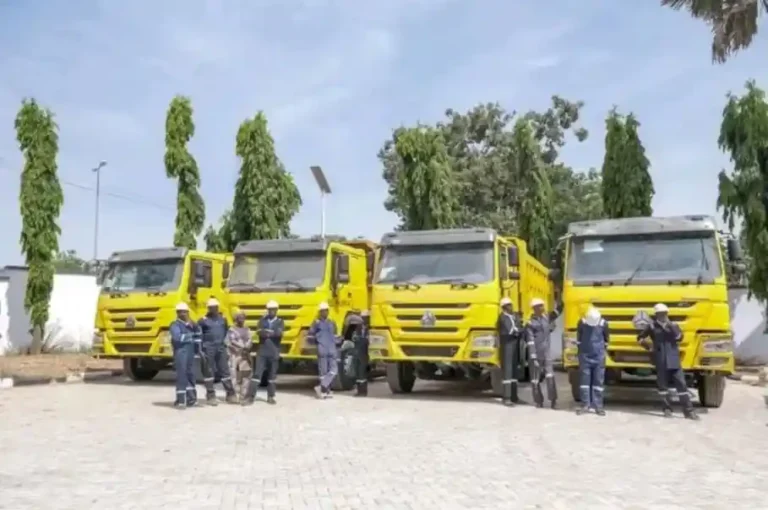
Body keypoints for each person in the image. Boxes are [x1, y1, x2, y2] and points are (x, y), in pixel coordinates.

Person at [638, 303, 699, 420]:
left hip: (674, 361)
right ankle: (666, 409)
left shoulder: (674, 325)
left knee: (681, 385)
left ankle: (689, 412)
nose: (663, 316)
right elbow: (640, 338)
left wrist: (670, 326)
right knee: (663, 387)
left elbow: (680, 337)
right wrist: (649, 347)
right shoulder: (651, 327)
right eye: (660, 314)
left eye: (664, 313)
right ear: (656, 315)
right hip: (660, 360)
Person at [198, 298, 236, 405]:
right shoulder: (203, 321)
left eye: (215, 307)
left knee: (224, 370)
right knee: (209, 371)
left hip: (220, 347)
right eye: (211, 308)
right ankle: (210, 395)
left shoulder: (223, 319)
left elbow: (226, 332)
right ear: (208, 308)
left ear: (217, 308)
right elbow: (199, 336)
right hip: (208, 348)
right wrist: (201, 350)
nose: (213, 309)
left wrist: (227, 347)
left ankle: (231, 394)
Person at [244, 300, 283, 405]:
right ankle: (250, 397)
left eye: (274, 309)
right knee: (257, 374)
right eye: (270, 309)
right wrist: (270, 333)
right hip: (262, 351)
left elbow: (279, 334)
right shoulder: (262, 320)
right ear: (267, 310)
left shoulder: (280, 321)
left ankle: (271, 396)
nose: (272, 311)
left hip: (274, 351)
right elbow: (259, 333)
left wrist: (268, 333)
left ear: (277, 310)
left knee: (272, 375)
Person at [576, 306, 610, 416]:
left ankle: (598, 406)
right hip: (585, 356)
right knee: (584, 382)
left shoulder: (603, 324)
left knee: (598, 382)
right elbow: (579, 338)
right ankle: (585, 405)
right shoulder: (582, 322)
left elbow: (607, 340)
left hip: (598, 357)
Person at [527, 297, 558, 409]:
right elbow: (530, 341)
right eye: (540, 306)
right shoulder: (530, 323)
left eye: (542, 305)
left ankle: (553, 400)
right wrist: (533, 357)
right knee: (535, 379)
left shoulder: (546, 318)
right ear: (535, 309)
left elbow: (556, 314)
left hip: (547, 353)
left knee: (550, 376)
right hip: (537, 354)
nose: (542, 308)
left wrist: (561, 302)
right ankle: (538, 401)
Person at [169, 302, 200, 409]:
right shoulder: (175, 325)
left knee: (191, 375)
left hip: (190, 352)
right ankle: (181, 400)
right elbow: (177, 338)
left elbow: (198, 335)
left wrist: (198, 350)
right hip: (180, 353)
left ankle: (192, 399)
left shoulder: (191, 324)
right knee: (182, 375)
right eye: (181, 312)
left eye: (186, 312)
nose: (184, 314)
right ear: (177, 313)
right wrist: (190, 336)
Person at [308, 302, 339, 399]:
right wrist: (317, 343)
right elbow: (310, 336)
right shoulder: (316, 323)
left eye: (326, 311)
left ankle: (322, 387)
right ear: (320, 312)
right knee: (323, 372)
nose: (324, 313)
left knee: (333, 370)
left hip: (332, 349)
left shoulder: (332, 322)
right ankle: (325, 391)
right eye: (322, 311)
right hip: (322, 349)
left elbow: (335, 334)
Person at [497, 297, 521, 406]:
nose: (511, 307)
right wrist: (518, 328)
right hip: (507, 345)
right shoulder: (503, 318)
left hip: (514, 344)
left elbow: (519, 328)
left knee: (514, 370)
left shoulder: (514, 316)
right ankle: (506, 398)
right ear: (504, 307)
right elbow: (511, 330)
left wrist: (519, 327)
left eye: (511, 304)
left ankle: (514, 396)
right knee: (507, 370)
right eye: (508, 305)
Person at [226, 311, 252, 403]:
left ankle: (243, 396)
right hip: (234, 356)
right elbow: (230, 342)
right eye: (239, 317)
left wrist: (247, 347)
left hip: (245, 355)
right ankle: (234, 396)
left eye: (243, 317)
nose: (241, 319)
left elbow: (250, 340)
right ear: (236, 319)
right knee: (234, 376)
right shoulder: (232, 329)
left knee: (245, 376)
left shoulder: (247, 329)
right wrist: (240, 347)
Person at [346, 311, 370, 397]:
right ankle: (360, 391)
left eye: (366, 317)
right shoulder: (358, 328)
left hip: (365, 354)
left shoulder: (370, 328)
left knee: (362, 372)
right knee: (358, 372)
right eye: (363, 317)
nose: (364, 319)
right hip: (357, 353)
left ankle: (363, 392)